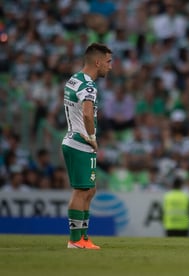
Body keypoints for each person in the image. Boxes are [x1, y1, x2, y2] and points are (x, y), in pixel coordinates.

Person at [61, 43, 112, 249]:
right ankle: (75, 240)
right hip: (80, 142)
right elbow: (87, 113)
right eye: (108, 62)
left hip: (76, 140)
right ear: (97, 62)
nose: (110, 67)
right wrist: (92, 136)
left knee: (89, 190)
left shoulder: (75, 79)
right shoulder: (88, 86)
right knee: (81, 191)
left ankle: (83, 237)